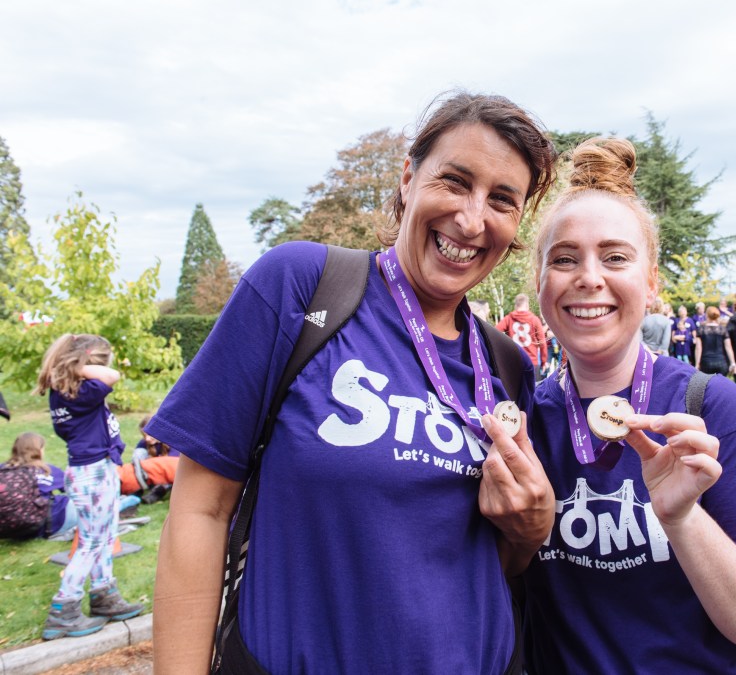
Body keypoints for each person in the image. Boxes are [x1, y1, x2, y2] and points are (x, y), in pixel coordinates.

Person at [146, 91, 557, 674]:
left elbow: (492, 560)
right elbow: (199, 513)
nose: (471, 218)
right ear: (408, 178)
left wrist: (531, 529)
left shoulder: (508, 367)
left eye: (501, 200)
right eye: (454, 181)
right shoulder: (301, 288)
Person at [523, 137, 736, 674]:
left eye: (615, 257)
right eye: (564, 259)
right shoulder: (524, 423)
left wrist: (681, 518)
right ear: (539, 284)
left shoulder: (712, 409)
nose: (589, 276)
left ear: (651, 283)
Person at [32, 334, 142, 641]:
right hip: (92, 473)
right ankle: (64, 609)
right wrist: (78, 364)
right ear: (89, 363)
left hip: (92, 471)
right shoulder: (82, 390)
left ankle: (104, 594)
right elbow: (112, 375)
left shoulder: (66, 392)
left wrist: (73, 365)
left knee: (105, 536)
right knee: (91, 542)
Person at [3, 432, 142, 540]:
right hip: (50, 523)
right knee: (93, 502)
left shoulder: (3, 470)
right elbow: (73, 489)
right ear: (39, 450)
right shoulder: (44, 470)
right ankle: (126, 502)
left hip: (12, 529)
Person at [497, 293, 548, 381]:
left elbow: (496, 331)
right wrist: (544, 361)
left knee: (515, 393)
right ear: (527, 305)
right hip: (531, 362)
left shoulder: (509, 318)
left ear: (516, 305)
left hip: (514, 361)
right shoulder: (534, 319)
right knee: (532, 392)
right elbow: (542, 343)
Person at [694, 306, 736, 376]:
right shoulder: (723, 329)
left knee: (706, 385)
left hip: (706, 362)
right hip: (721, 362)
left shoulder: (701, 330)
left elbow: (698, 348)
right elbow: (728, 347)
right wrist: (733, 362)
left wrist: (697, 364)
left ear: (706, 315)